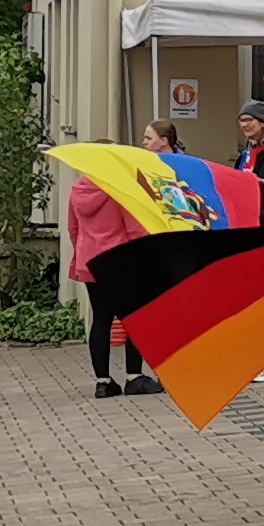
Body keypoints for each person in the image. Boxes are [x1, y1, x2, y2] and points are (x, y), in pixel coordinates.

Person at [73, 128, 174, 399]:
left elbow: (73, 229)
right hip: (120, 261)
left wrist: (82, 255)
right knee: (134, 319)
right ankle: (134, 377)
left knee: (101, 320)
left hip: (90, 262)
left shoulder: (78, 189)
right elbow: (134, 230)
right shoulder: (119, 188)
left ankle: (103, 382)